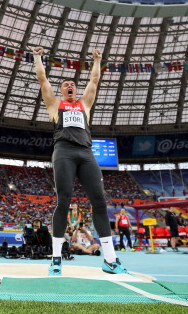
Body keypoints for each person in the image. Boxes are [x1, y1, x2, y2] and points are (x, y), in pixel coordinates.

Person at [32, 46, 127, 276]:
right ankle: (56, 259)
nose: (70, 86)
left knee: (100, 202)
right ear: (62, 90)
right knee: (63, 201)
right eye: (65, 84)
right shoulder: (55, 105)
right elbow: (42, 78)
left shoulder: (84, 105)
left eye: (73, 84)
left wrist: (97, 60)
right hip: (63, 151)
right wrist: (37, 57)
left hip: (86, 153)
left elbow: (94, 80)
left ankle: (110, 260)